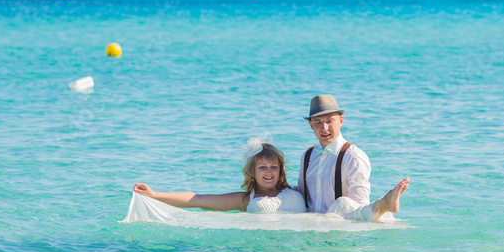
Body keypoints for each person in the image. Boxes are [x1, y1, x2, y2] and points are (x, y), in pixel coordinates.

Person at [297, 94, 408, 221]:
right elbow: (302, 196)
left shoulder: (353, 157)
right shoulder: (307, 156)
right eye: (318, 122)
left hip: (340, 227)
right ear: (311, 125)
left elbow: (359, 206)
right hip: (312, 227)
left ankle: (383, 204)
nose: (324, 128)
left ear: (341, 121)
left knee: (343, 203)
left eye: (329, 121)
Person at [132, 140, 306, 213]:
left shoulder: (296, 190)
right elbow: (197, 199)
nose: (269, 172)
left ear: (280, 170)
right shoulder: (245, 200)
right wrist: (154, 195)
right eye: (263, 167)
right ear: (252, 172)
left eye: (274, 167)